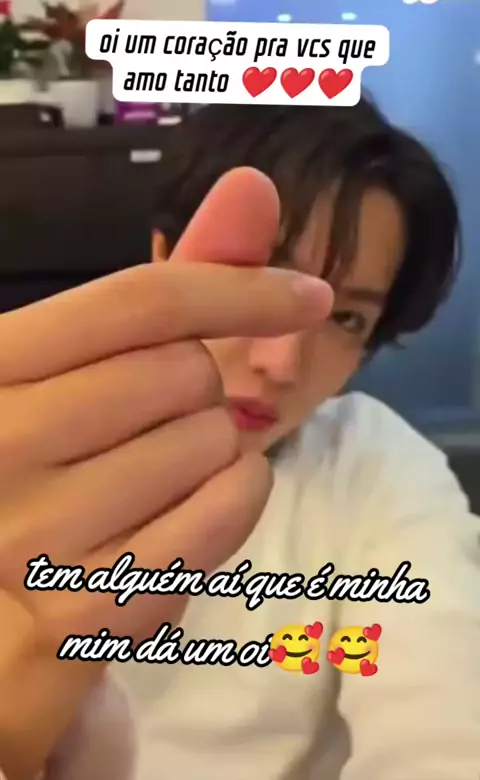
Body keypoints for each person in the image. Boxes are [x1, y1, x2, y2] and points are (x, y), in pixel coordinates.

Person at [0, 96, 479, 780]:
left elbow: (443, 730)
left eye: (345, 318)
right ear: (164, 255)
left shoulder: (378, 470)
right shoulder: (27, 446)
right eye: (254, 284)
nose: (281, 363)